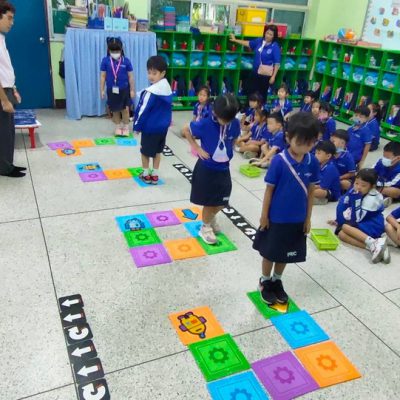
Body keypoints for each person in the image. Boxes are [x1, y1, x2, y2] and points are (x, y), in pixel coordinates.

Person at [254, 112, 320, 304]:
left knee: (285, 253)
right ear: (288, 137)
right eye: (300, 143)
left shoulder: (313, 162)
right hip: (276, 218)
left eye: (310, 144)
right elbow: (269, 191)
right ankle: (265, 281)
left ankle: (277, 280)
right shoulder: (279, 161)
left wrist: (308, 218)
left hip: (297, 219)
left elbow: (311, 192)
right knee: (270, 252)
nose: (304, 148)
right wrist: (264, 216)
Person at [183, 94, 240, 245]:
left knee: (222, 201)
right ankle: (205, 227)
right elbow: (186, 130)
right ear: (215, 112)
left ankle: (210, 218)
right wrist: (196, 148)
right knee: (209, 202)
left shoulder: (234, 123)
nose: (227, 122)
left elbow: (234, 137)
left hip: (224, 168)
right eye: (224, 119)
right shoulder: (205, 123)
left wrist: (230, 149)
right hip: (207, 168)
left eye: (230, 118)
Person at [329, 169, 389, 264]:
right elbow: (346, 204)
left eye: (363, 185)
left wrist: (356, 199)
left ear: (372, 187)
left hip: (372, 224)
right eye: (356, 183)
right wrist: (338, 219)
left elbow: (357, 218)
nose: (358, 187)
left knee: (345, 227)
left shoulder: (372, 199)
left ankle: (374, 243)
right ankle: (374, 247)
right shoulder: (357, 191)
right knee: (341, 234)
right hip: (362, 221)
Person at [134, 56, 172, 185]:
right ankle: (155, 176)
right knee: (157, 152)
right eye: (149, 72)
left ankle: (146, 175)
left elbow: (142, 110)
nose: (151, 76)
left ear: (163, 73)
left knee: (145, 152)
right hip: (162, 128)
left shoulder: (151, 91)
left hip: (150, 128)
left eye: (154, 73)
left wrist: (137, 126)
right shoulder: (167, 88)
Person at [0, 1, 25, 178]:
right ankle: (4, 168)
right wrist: (4, 100)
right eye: (9, 18)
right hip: (2, 93)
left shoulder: (2, 39)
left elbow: (5, 69)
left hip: (8, 89)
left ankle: (8, 163)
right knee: (3, 132)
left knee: (9, 131)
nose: (12, 22)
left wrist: (14, 89)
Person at [230, 25, 280, 103]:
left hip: (265, 76)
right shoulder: (260, 41)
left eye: (271, 34)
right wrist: (235, 40)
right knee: (250, 92)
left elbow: (277, 63)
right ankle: (249, 107)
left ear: (274, 36)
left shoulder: (275, 46)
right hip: (255, 72)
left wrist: (273, 76)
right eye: (267, 33)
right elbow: (248, 43)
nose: (268, 36)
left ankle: (260, 109)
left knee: (262, 94)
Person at [100, 37, 135, 136]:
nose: (115, 53)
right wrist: (101, 90)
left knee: (125, 109)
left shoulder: (126, 61)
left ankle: (126, 126)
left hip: (124, 90)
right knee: (115, 109)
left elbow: (131, 76)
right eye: (112, 51)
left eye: (117, 51)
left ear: (121, 49)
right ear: (109, 50)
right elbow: (102, 76)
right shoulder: (105, 61)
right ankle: (118, 126)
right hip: (111, 90)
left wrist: (132, 90)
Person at [313, 140, 341, 205]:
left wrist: (309, 187)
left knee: (317, 191)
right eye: (315, 153)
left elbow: (323, 187)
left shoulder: (330, 168)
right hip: (318, 187)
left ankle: (320, 200)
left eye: (318, 153)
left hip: (330, 193)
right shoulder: (318, 165)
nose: (315, 155)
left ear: (328, 156)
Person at [374, 141, 400, 206]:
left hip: (393, 187)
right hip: (378, 185)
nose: (384, 159)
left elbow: (392, 183)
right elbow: (371, 172)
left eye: (387, 158)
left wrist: (374, 185)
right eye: (384, 156)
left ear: (398, 158)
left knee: (395, 191)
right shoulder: (380, 161)